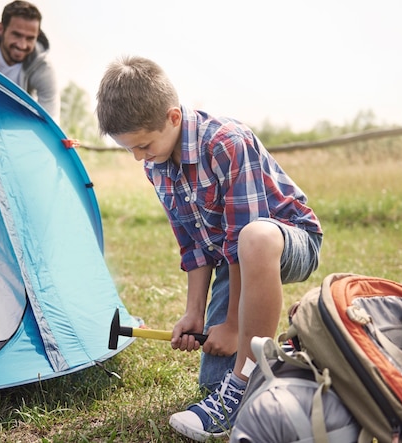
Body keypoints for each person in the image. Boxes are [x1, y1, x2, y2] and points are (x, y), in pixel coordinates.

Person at [96, 56, 323, 441]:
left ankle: (244, 384)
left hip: (286, 241)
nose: (138, 157)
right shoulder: (156, 164)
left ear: (172, 118)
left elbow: (242, 238)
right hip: (230, 259)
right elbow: (195, 246)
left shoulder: (226, 142)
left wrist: (235, 324)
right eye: (130, 149)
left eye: (143, 145)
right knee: (211, 380)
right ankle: (273, 360)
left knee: (254, 239)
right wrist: (194, 314)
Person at [0, 1, 60, 121]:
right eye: (17, 35)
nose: (22, 45)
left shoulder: (43, 68)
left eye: (30, 38)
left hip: (13, 123)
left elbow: (50, 119)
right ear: (1, 29)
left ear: (37, 35)